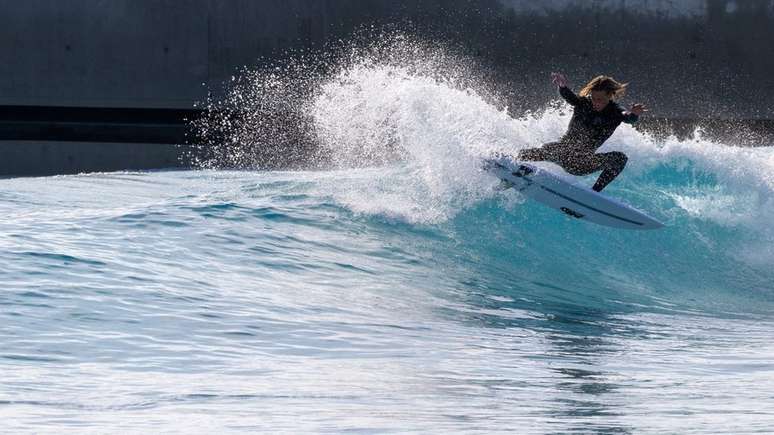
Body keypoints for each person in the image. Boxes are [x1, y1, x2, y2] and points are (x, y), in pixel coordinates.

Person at [518, 73, 647, 192]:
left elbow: (628, 117)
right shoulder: (583, 103)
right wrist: (562, 86)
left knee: (620, 159)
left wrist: (634, 114)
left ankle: (594, 193)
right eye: (593, 98)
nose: (596, 102)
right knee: (543, 150)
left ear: (610, 96)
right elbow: (570, 97)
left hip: (582, 163)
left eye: (600, 99)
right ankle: (511, 161)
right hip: (561, 152)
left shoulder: (616, 112)